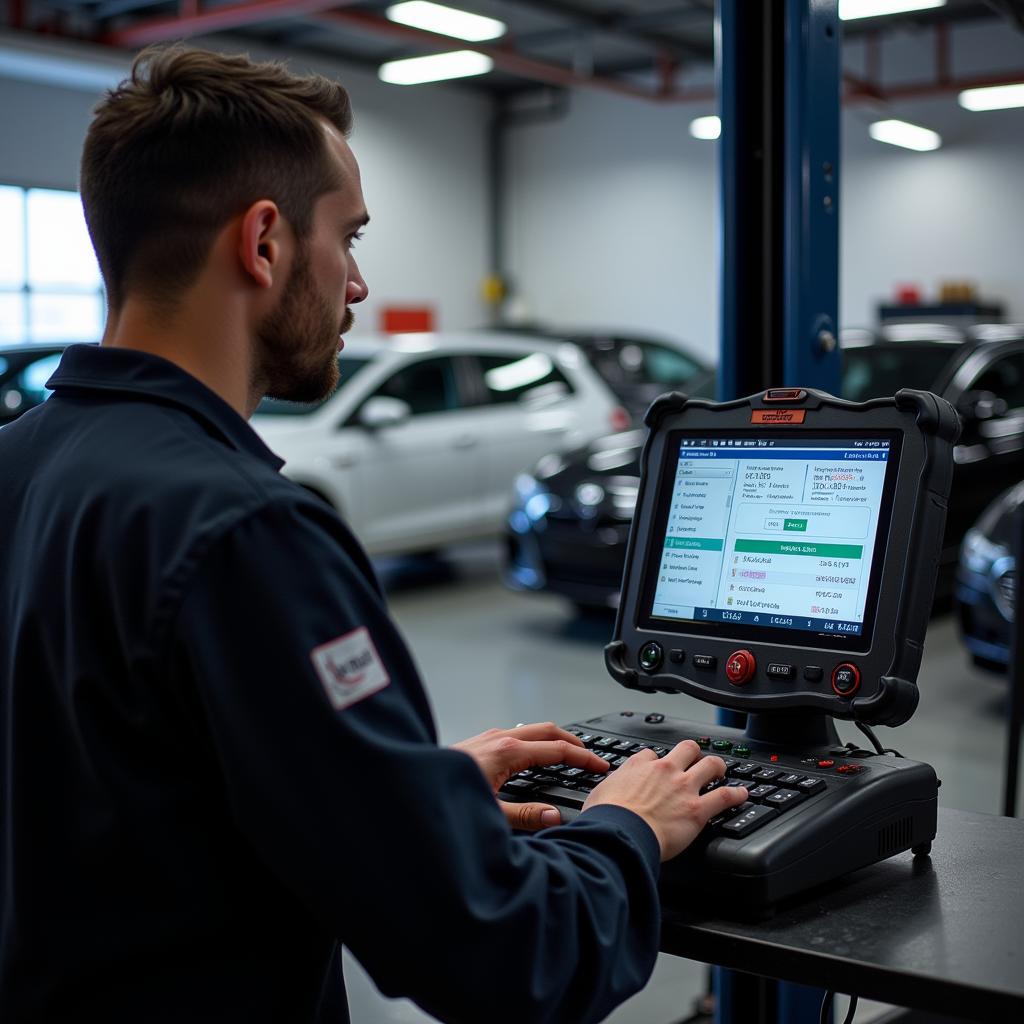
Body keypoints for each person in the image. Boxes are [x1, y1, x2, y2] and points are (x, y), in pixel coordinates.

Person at [0, 47, 748, 1023]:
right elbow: (506, 953)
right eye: (347, 238)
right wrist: (625, 827)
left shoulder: (20, 461)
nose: (356, 285)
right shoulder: (245, 530)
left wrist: (406, 790)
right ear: (263, 243)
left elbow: (130, 792)